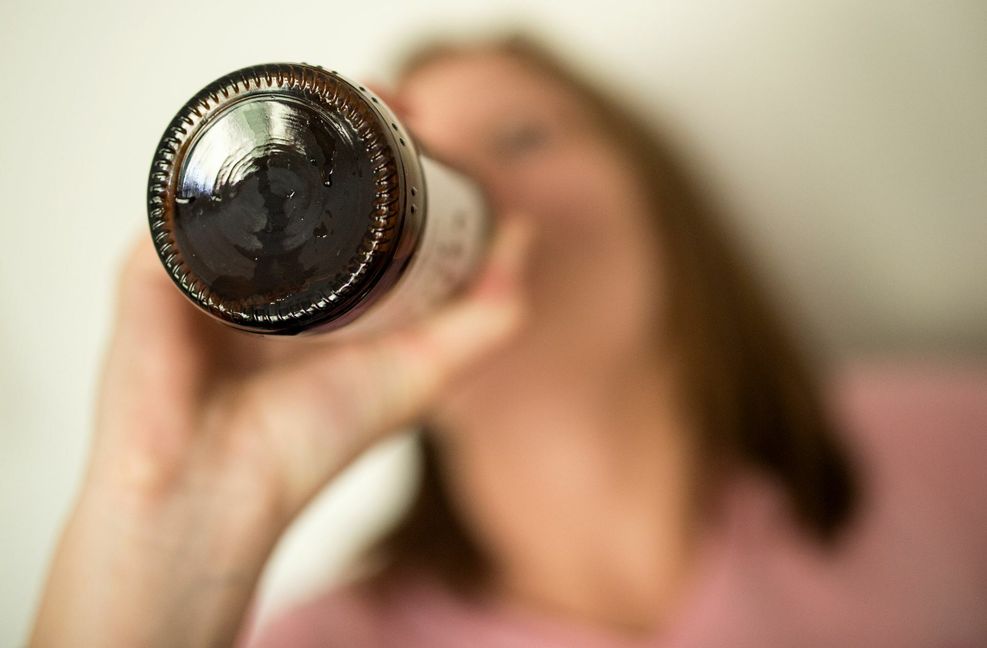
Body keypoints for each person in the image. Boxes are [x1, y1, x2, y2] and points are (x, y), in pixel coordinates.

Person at [29, 33, 987, 648]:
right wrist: (175, 507)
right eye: (433, 161)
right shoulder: (327, 638)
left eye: (524, 137)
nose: (484, 193)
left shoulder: (954, 448)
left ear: (661, 204)